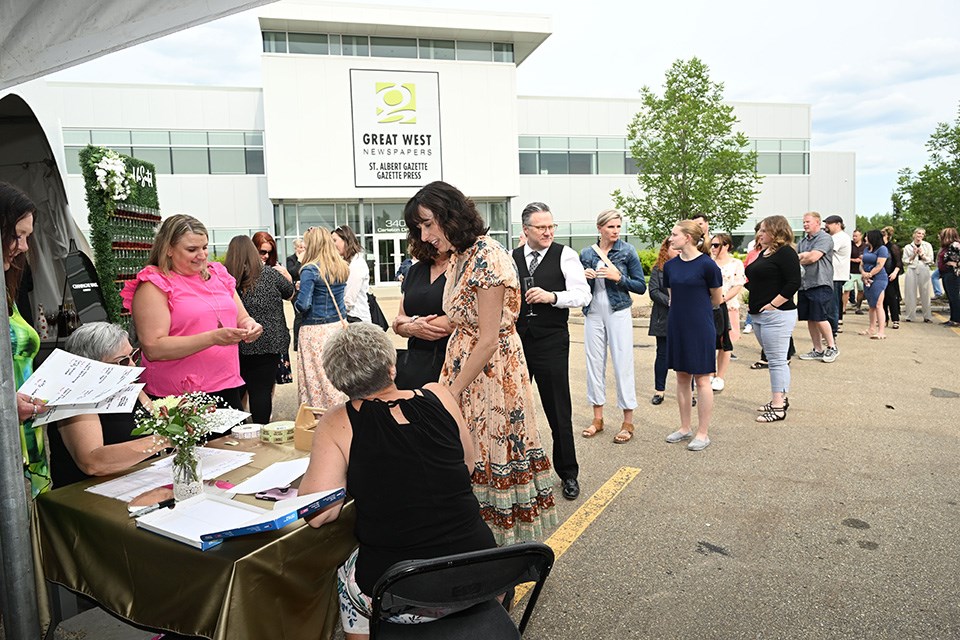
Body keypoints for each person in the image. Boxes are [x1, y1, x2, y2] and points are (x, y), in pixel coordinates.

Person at [299, 323, 496, 639]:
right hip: (483, 572)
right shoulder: (440, 396)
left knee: (345, 573)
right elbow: (468, 465)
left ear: (338, 381)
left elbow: (320, 514)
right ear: (391, 368)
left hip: (404, 591)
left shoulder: (338, 421)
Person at [404, 181, 557, 545]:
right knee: (464, 450)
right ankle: (474, 543)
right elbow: (458, 318)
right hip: (463, 364)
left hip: (491, 372)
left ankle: (501, 554)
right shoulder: (459, 256)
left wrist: (450, 392)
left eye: (427, 224)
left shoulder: (488, 256)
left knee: (491, 450)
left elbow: (489, 339)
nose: (424, 236)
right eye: (419, 228)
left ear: (449, 216)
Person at [123, 214, 263, 409]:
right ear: (169, 249)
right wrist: (212, 338)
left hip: (227, 384)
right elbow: (154, 348)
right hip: (178, 396)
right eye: (192, 249)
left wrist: (250, 326)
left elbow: (242, 316)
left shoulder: (218, 275)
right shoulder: (155, 284)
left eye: (204, 247)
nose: (202, 255)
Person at [512, 202, 591, 500]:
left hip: (551, 341)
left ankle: (568, 473)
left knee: (558, 409)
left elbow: (583, 294)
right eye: (541, 227)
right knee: (514, 410)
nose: (548, 232)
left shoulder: (565, 254)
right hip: (518, 341)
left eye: (551, 227)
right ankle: (519, 472)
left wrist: (552, 296)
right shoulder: (513, 257)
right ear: (526, 230)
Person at [48, 323, 170, 488]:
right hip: (87, 494)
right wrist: (166, 439)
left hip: (137, 482)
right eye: (123, 361)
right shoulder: (73, 400)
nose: (133, 366)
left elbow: (160, 424)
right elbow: (92, 462)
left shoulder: (130, 387)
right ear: (92, 365)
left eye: (134, 356)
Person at [579, 209, 647, 444]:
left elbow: (640, 286)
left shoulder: (627, 251)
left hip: (618, 311)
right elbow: (578, 287)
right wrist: (584, 277)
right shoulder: (586, 253)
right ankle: (597, 419)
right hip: (593, 312)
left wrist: (618, 278)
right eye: (611, 227)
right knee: (594, 363)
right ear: (600, 228)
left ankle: (628, 421)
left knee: (622, 362)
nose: (616, 231)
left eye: (618, 226)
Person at [3, 181, 51, 496]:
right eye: (17, 236)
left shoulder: (9, 284)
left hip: (25, 435)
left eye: (27, 237)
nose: (23, 247)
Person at [662, 221, 723, 451]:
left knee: (702, 379)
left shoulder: (707, 265)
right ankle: (685, 427)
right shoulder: (671, 266)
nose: (670, 238)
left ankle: (703, 433)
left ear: (688, 237)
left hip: (700, 325)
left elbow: (716, 299)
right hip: (677, 324)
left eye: (674, 234)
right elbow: (672, 296)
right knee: (681, 377)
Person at [224, 235, 294, 424]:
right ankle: (261, 431)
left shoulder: (224, 278)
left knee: (235, 391)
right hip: (269, 341)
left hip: (236, 342)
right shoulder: (269, 274)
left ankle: (234, 431)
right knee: (262, 391)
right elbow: (289, 292)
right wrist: (286, 275)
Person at [744, 215, 801, 423]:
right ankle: (780, 398)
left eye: (764, 230)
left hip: (776, 314)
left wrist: (773, 304)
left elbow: (794, 282)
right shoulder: (765, 253)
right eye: (760, 230)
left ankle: (778, 406)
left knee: (776, 361)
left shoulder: (786, 252)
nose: (760, 233)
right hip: (760, 314)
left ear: (777, 231)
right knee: (775, 358)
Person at [295, 226, 350, 409]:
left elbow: (303, 305)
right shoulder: (341, 266)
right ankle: (343, 414)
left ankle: (321, 420)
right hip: (337, 327)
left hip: (315, 331)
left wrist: (297, 295)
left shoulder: (310, 269)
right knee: (338, 375)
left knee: (317, 380)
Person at [391, 232, 451, 389]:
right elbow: (398, 322)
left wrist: (410, 322)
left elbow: (456, 321)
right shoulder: (415, 271)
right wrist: (411, 326)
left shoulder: (461, 269)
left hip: (451, 362)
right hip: (416, 363)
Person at [796, 212, 838, 363]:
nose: (805, 224)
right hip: (804, 284)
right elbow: (797, 259)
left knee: (820, 317)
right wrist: (804, 255)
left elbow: (813, 257)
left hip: (820, 283)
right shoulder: (802, 242)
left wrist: (804, 256)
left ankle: (832, 347)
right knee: (810, 318)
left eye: (808, 222)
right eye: (804, 222)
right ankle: (817, 349)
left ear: (817, 222)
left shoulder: (824, 238)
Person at [710, 232, 745, 392]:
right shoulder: (708, 262)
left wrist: (723, 298)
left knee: (725, 344)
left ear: (727, 246)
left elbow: (738, 284)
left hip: (728, 305)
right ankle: (709, 373)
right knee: (709, 342)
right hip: (709, 307)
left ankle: (720, 376)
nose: (713, 248)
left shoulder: (735, 263)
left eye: (717, 245)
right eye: (712, 244)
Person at [648, 238, 678, 405]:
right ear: (666, 249)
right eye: (672, 246)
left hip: (685, 319)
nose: (677, 249)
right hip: (664, 318)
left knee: (687, 355)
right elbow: (652, 291)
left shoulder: (690, 267)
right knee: (662, 355)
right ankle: (659, 391)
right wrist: (670, 301)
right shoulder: (658, 269)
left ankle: (690, 392)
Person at [332, 225, 370, 323]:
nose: (332, 245)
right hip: (348, 317)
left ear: (346, 240)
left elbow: (350, 297)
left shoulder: (357, 264)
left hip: (356, 318)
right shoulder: (345, 262)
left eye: (334, 240)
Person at [859, 229, 889, 339]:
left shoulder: (882, 249)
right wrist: (863, 273)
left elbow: (880, 265)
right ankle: (871, 328)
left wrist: (870, 274)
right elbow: (861, 264)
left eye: (867, 236)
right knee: (871, 305)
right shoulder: (866, 249)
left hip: (879, 279)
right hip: (867, 278)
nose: (865, 238)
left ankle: (881, 331)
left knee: (878, 304)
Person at [824, 215, 851, 336]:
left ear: (838, 224)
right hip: (834, 275)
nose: (826, 226)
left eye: (829, 223)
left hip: (836, 275)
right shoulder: (835, 237)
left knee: (832, 306)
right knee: (831, 304)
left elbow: (825, 250)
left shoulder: (839, 237)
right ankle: (830, 331)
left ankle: (832, 332)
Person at [902, 228, 934, 323]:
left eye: (922, 234)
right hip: (912, 269)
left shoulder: (927, 245)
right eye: (918, 233)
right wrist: (914, 254)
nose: (920, 235)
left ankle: (927, 316)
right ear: (914, 234)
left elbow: (931, 260)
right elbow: (905, 261)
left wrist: (922, 254)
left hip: (923, 268)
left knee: (925, 292)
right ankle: (910, 316)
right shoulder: (908, 247)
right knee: (910, 293)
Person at [937, 227, 960, 326]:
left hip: (952, 274)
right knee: (950, 297)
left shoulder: (955, 245)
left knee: (954, 297)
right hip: (945, 273)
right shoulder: (946, 247)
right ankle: (952, 318)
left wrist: (957, 264)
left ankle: (956, 319)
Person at [881, 226, 903, 329]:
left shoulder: (893, 247)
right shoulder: (880, 247)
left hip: (891, 275)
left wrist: (895, 272)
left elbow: (899, 262)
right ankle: (884, 319)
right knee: (882, 298)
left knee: (892, 297)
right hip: (881, 275)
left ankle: (895, 319)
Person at [287, 237, 306, 350]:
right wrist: (299, 261)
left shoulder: (309, 259)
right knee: (298, 316)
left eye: (304, 247)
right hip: (296, 292)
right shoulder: (291, 259)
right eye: (300, 247)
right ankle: (297, 343)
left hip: (306, 290)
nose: (302, 249)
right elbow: (292, 272)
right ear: (295, 248)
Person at [846, 229, 865, 313]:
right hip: (850, 271)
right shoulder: (849, 245)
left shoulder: (865, 246)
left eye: (856, 236)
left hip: (861, 271)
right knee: (846, 290)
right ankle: (843, 308)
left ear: (861, 236)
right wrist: (853, 260)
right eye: (853, 236)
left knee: (861, 290)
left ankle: (858, 307)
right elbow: (845, 257)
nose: (854, 238)